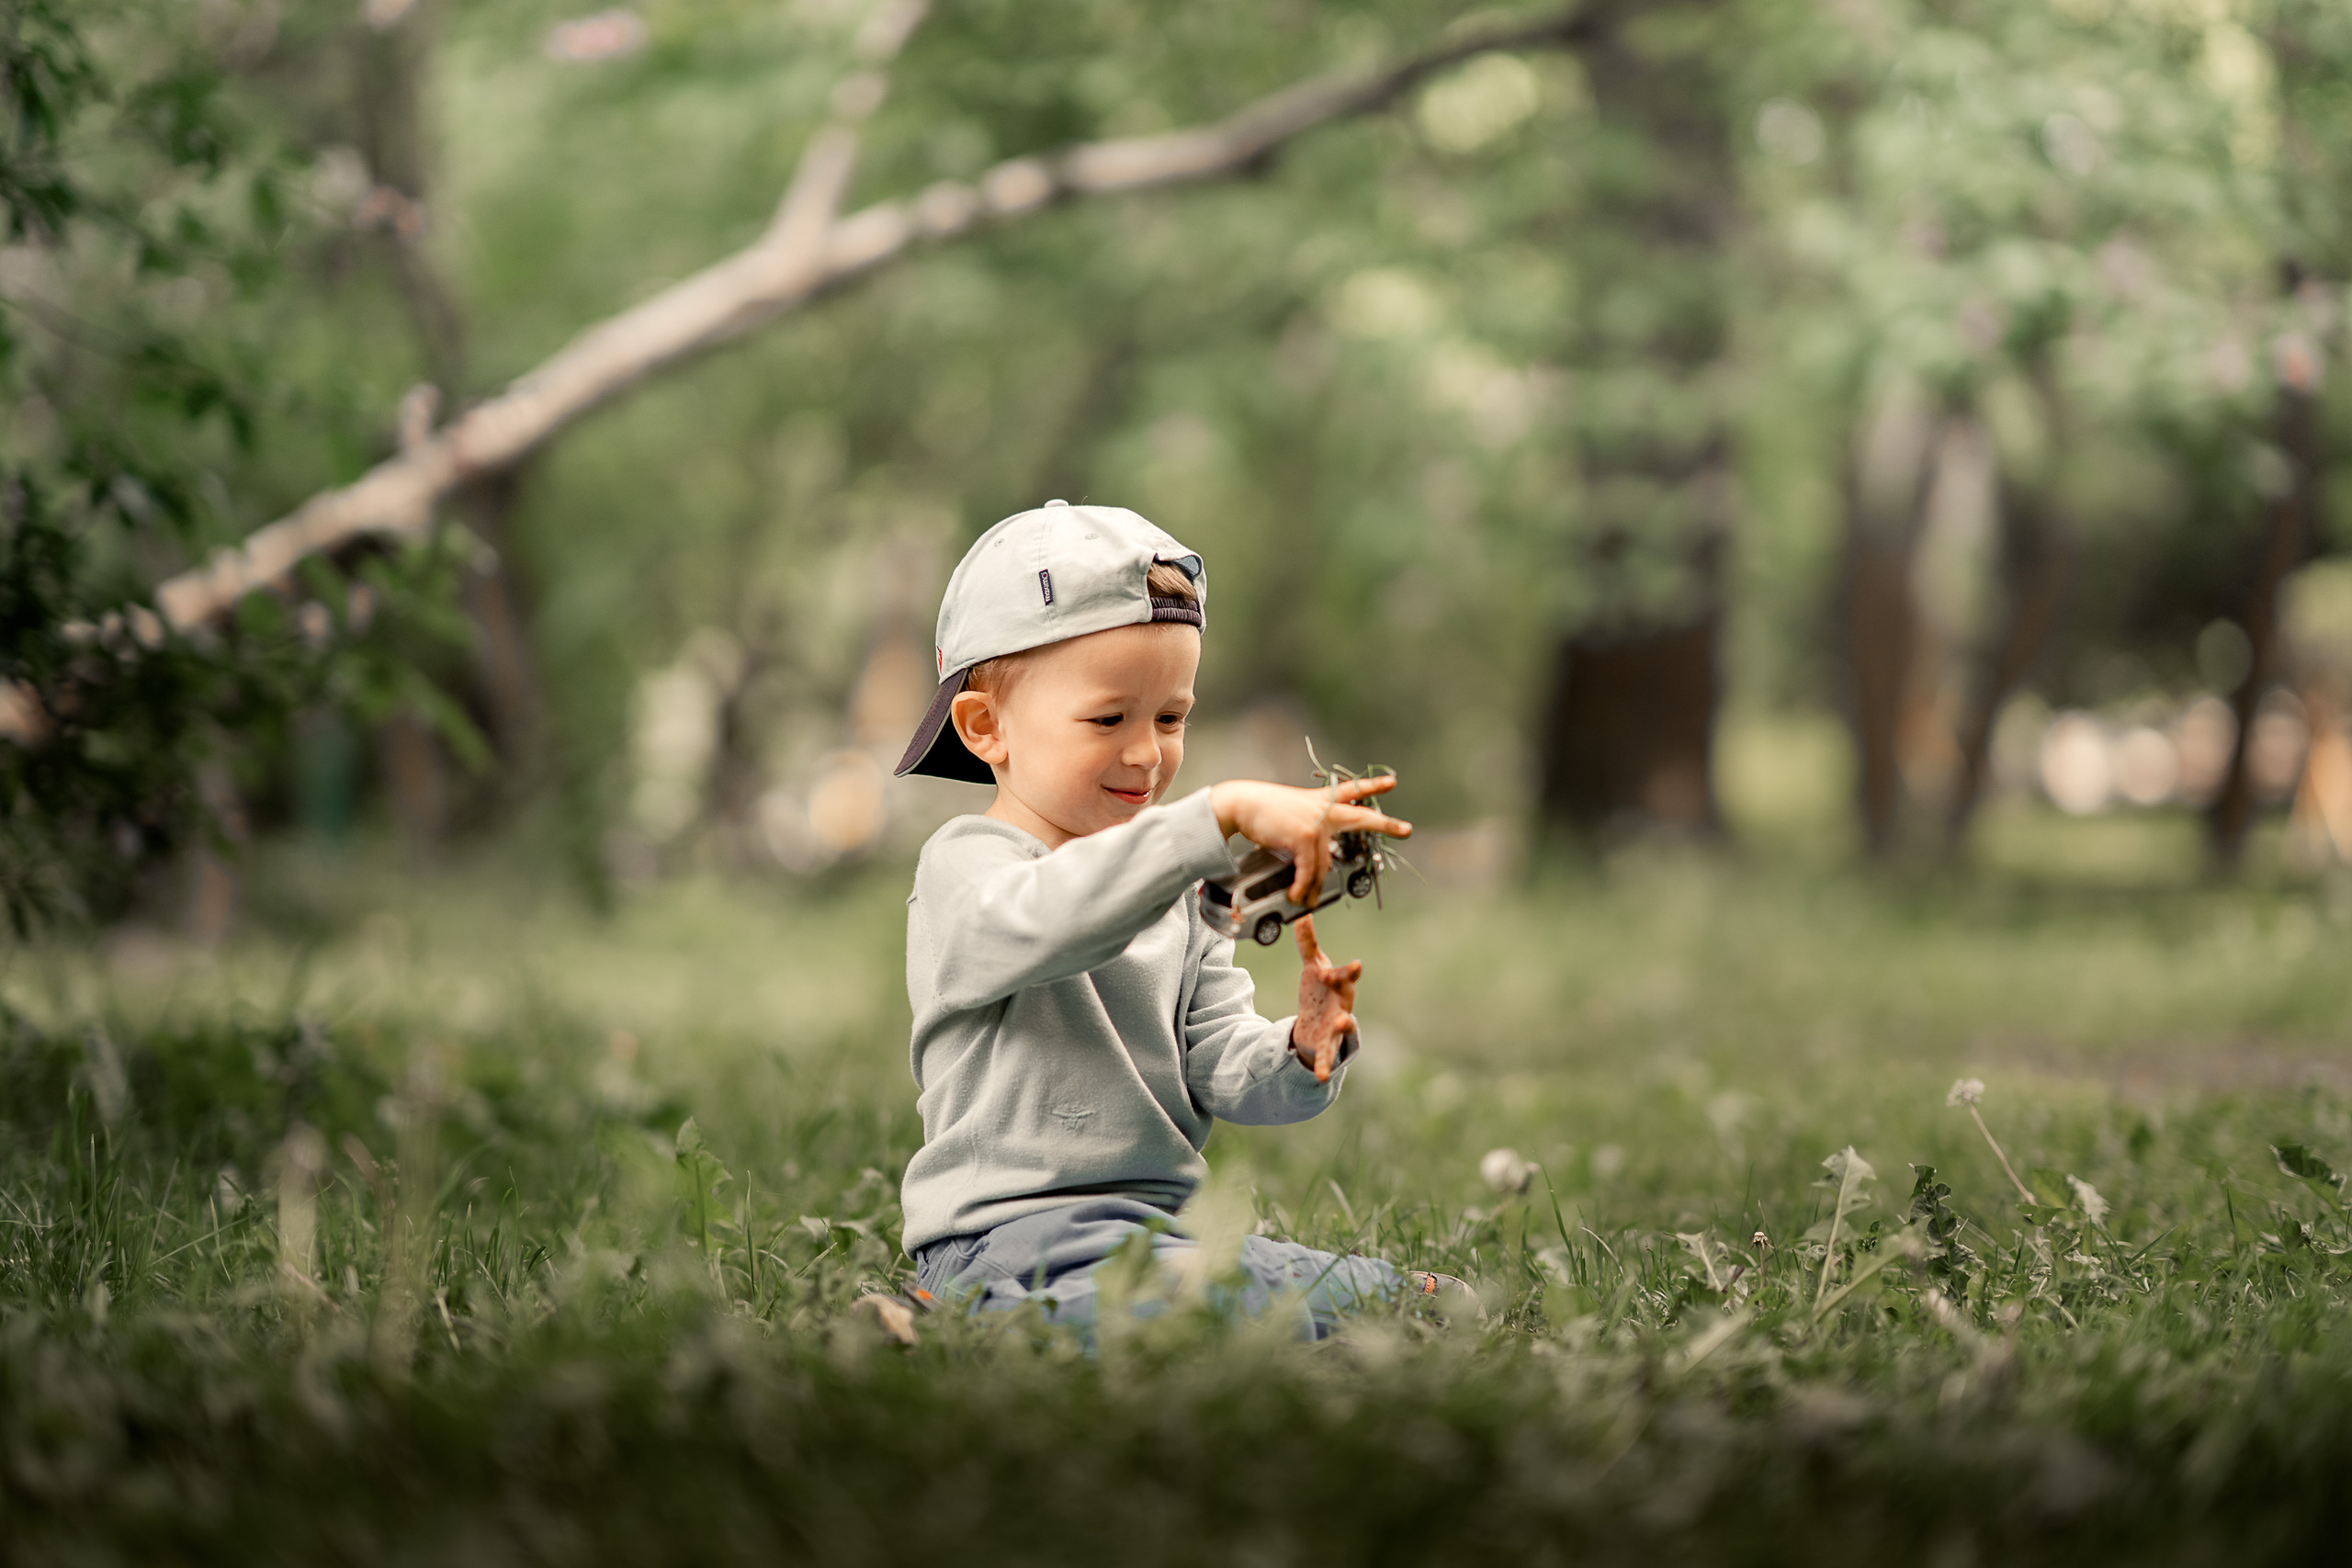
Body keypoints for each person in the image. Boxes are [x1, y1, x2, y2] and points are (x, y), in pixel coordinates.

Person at [891, 500, 1456, 1337]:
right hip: (1005, 1234)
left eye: (1171, 716)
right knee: (1180, 1314)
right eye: (1108, 718)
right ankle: (960, 1325)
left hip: (1162, 1230)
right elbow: (1053, 920)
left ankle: (1123, 1311)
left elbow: (1217, 1067)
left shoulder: (1181, 892)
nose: (1147, 753)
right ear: (986, 729)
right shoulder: (968, 868)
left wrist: (1297, 1050)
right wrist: (1213, 817)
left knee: (1406, 1303)